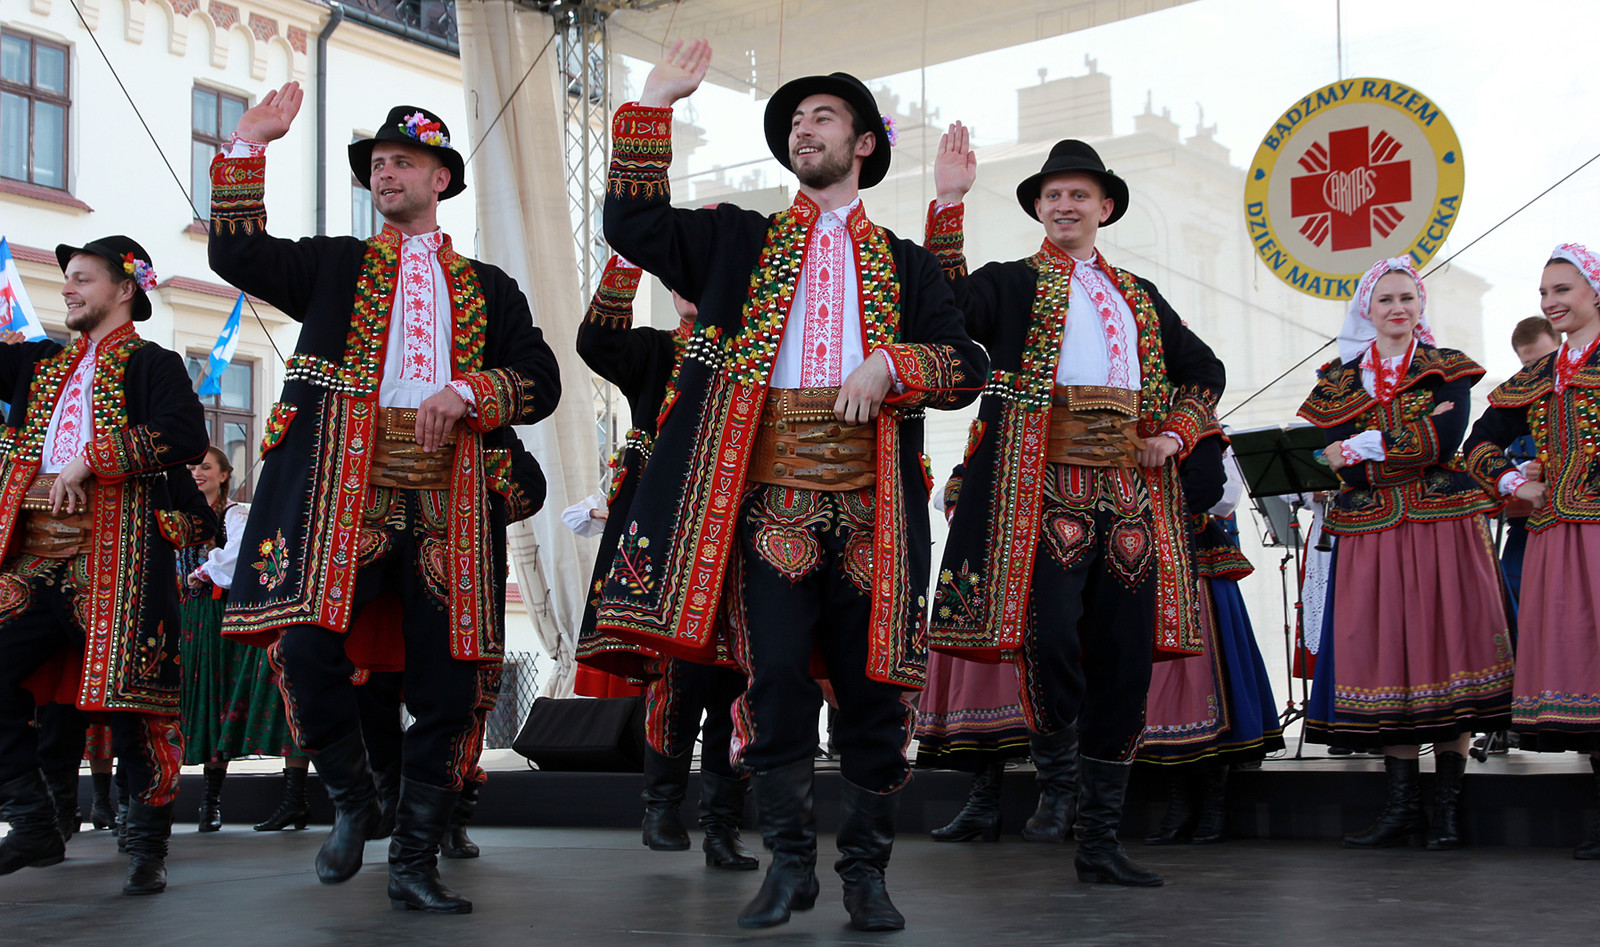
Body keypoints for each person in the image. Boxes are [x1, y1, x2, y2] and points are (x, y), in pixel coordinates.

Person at [596, 41, 988, 932]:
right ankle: (788, 865)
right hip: (770, 501)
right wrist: (654, 102)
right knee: (772, 678)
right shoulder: (738, 239)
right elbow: (634, 225)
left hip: (873, 508)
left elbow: (967, 363)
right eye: (795, 121)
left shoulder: (906, 262)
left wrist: (894, 364)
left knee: (875, 692)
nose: (804, 130)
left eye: (823, 118)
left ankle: (867, 874)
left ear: (863, 144)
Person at [208, 84, 560, 914]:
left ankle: (414, 860)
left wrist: (469, 391)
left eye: (402, 162)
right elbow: (238, 255)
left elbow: (540, 379)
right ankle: (351, 795)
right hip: (345, 493)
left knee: (449, 683)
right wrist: (247, 145)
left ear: (441, 178)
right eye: (376, 164)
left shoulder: (489, 287)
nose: (385, 174)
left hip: (448, 502)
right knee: (303, 647)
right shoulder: (336, 265)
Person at [925, 123, 1224, 888]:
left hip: (1127, 495)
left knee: (1124, 657)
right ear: (1038, 208)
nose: (1065, 204)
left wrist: (1174, 433)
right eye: (1053, 195)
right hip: (1040, 487)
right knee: (1050, 633)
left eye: (1078, 195)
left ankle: (1098, 838)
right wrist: (949, 202)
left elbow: (1205, 370)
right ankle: (1057, 774)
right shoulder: (1010, 282)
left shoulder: (1139, 296)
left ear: (1105, 207)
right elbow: (945, 308)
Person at [0, 236, 211, 894]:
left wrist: (91, 458)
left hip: (114, 555)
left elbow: (186, 433)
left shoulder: (153, 364)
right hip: (34, 554)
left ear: (124, 289)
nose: (67, 288)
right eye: (67, 278)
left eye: (82, 278)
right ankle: (32, 816)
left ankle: (147, 846)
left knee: (133, 703)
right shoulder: (39, 363)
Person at [1299, 257, 1511, 851]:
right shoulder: (1337, 381)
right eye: (1386, 299)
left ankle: (1446, 810)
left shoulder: (1448, 369)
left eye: (1407, 298)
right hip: (1371, 532)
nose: (1397, 308)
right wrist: (1376, 453)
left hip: (1441, 527)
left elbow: (1440, 442)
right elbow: (1331, 459)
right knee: (1386, 658)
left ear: (1420, 306)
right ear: (1366, 309)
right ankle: (1402, 808)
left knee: (1446, 651)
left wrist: (1364, 448)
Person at [574, 254, 756, 870]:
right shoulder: (655, 351)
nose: (685, 288)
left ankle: (724, 825)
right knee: (677, 677)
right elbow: (597, 343)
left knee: (738, 680)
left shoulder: (755, 351)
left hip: (738, 529)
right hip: (668, 532)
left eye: (700, 276)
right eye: (677, 278)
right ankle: (661, 806)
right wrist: (626, 259)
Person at [1464, 243, 1600, 857]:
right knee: (1583, 667)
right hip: (1556, 540)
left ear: (1594, 291)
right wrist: (1517, 483)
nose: (1551, 302)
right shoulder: (1539, 377)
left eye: (1563, 290)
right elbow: (1479, 443)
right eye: (1545, 292)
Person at [1139, 435, 1284, 845]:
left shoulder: (1198, 427)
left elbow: (1216, 494)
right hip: (1142, 557)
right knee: (1157, 688)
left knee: (1207, 676)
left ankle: (1214, 803)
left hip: (1193, 558)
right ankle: (1179, 802)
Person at [178, 446, 310, 832]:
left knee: (228, 700)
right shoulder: (179, 517)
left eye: (206, 467)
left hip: (224, 615)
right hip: (189, 618)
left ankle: (225, 801)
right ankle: (207, 802)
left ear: (224, 475)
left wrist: (203, 571)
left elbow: (242, 555)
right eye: (193, 467)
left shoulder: (234, 514)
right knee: (202, 703)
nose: (197, 473)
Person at [913, 467, 1032, 843]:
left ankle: (1063, 805)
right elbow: (948, 490)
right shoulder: (980, 454)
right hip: (986, 571)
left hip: (1040, 563)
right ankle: (983, 803)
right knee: (982, 686)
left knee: (1053, 687)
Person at [1500, 316, 1561, 602]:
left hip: (1584, 521)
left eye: (1547, 360)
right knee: (1519, 592)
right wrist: (1521, 472)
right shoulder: (1516, 401)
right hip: (1528, 525)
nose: (1540, 370)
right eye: (1529, 365)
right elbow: (1494, 453)